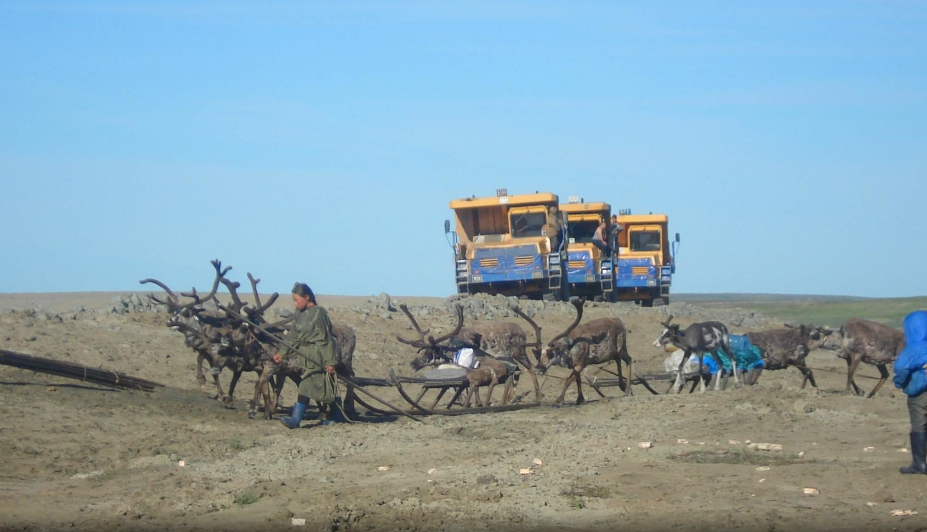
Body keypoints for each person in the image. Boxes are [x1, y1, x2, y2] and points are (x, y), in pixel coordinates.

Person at [275, 282, 341, 429]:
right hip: (305, 355)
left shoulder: (319, 314)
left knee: (311, 385)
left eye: (297, 299)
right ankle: (335, 417)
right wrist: (282, 353)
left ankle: (296, 420)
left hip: (319, 355)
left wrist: (330, 362)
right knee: (317, 386)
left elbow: (326, 339)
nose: (295, 303)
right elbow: (293, 336)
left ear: (307, 297)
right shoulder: (299, 314)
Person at [893, 310, 927, 474]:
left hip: (920, 393)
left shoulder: (913, 349)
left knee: (919, 424)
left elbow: (900, 368)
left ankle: (919, 464)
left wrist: (899, 383)